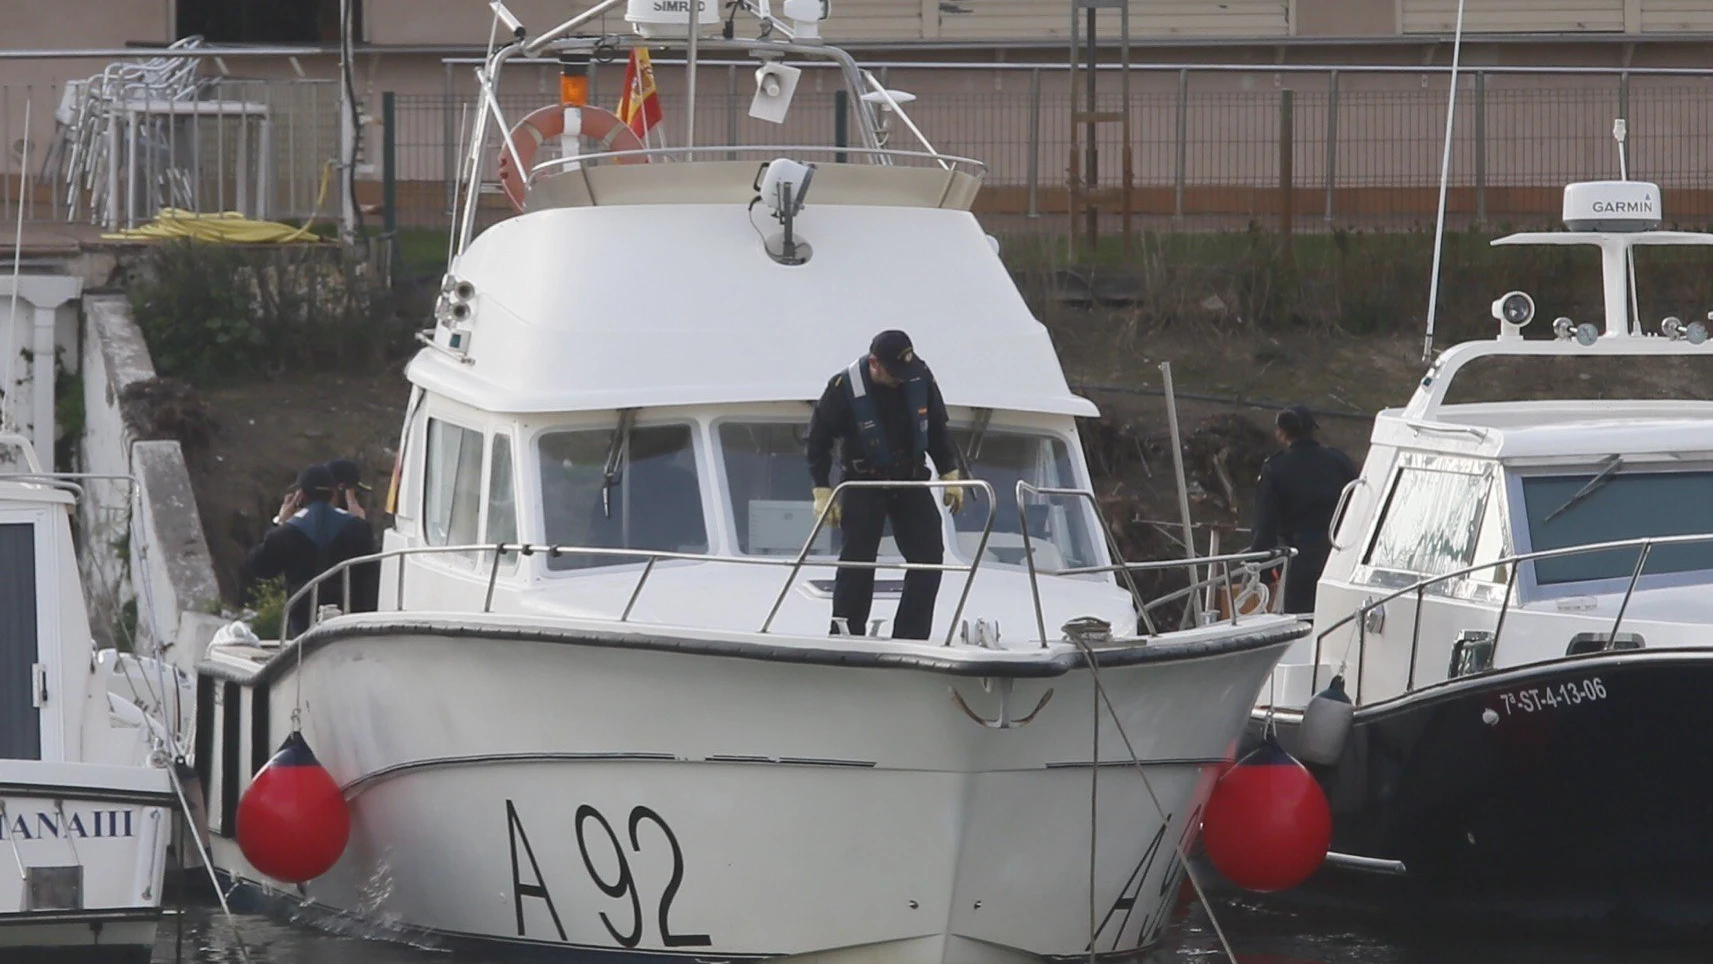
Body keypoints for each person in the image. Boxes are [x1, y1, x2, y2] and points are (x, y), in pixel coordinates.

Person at [805, 330, 966, 640]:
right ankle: (846, 634)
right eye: (895, 373)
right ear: (875, 364)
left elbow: (937, 429)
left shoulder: (918, 378)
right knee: (857, 560)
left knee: (929, 556)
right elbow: (817, 441)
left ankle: (911, 636)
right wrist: (822, 490)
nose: (901, 379)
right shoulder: (842, 388)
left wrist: (950, 474)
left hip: (910, 479)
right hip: (864, 481)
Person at [242, 464, 379, 636]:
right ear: (333, 493)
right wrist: (362, 522)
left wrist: (279, 523)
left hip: (303, 621)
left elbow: (257, 566)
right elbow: (372, 573)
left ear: (301, 496)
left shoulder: (287, 532)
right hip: (348, 622)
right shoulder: (357, 528)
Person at [1247, 405, 1359, 615]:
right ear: (1313, 430)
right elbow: (1360, 502)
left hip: (1298, 561)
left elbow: (1264, 524)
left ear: (1281, 433)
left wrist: (1262, 570)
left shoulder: (1275, 468)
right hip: (1340, 555)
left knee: (1300, 622)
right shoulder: (1339, 461)